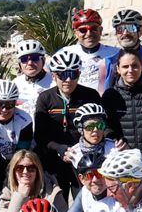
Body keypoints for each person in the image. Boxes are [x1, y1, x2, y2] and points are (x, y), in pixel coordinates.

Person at [35, 51, 102, 193]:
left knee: (84, 201)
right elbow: (40, 135)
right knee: (58, 205)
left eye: (73, 74)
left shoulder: (90, 95)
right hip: (54, 159)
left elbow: (101, 126)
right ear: (53, 76)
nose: (68, 80)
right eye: (62, 75)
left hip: (84, 158)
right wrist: (59, 148)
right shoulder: (45, 98)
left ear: (79, 74)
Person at [104, 50, 142, 159]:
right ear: (118, 69)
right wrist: (115, 139)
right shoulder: (110, 95)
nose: (130, 70)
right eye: (125, 66)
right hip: (124, 158)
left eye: (134, 66)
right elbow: (104, 124)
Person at [53, 8, 120, 95]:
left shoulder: (116, 53)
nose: (89, 34)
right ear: (76, 33)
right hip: (74, 104)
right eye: (83, 30)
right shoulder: (64, 53)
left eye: (93, 29)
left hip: (103, 104)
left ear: (100, 30)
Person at [62, 103, 113, 173]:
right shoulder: (73, 153)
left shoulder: (115, 148)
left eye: (100, 125)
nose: (95, 129)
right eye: (90, 126)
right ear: (80, 129)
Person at [11, 39, 50, 112]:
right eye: (24, 59)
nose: (29, 63)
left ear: (43, 60)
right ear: (19, 64)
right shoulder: (15, 84)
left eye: (35, 58)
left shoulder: (54, 83)